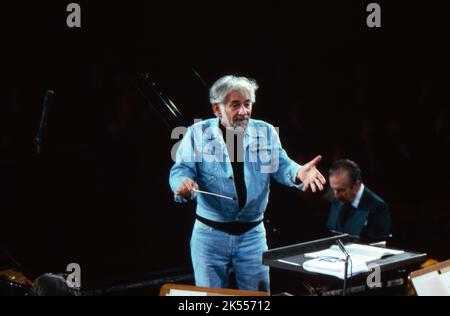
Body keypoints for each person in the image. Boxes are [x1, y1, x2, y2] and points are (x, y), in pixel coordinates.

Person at [169, 75, 326, 292]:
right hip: (209, 237)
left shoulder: (266, 131)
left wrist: (299, 172)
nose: (244, 111)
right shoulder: (196, 133)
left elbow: (281, 165)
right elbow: (181, 170)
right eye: (235, 105)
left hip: (252, 236)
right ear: (217, 109)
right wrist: (183, 184)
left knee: (257, 299)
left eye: (247, 104)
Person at [326, 159, 391, 242]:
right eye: (333, 189)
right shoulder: (337, 199)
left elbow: (378, 246)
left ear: (356, 185)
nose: (336, 195)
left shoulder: (378, 208)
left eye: (341, 190)